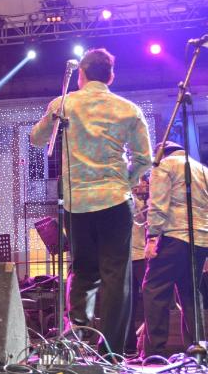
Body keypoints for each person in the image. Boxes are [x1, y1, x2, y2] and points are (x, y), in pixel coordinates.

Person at [30, 48, 152, 356]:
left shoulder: (63, 104)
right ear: (111, 76)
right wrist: (125, 181)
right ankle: (111, 351)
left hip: (77, 204)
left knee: (83, 271)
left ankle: (77, 340)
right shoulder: (129, 109)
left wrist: (53, 116)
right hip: (115, 202)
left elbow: (36, 138)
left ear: (81, 75)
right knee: (116, 276)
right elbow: (144, 159)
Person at [142, 141, 208, 359]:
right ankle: (197, 350)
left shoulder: (165, 165)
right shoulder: (202, 170)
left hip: (173, 237)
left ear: (161, 153)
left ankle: (155, 352)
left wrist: (152, 237)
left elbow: (158, 204)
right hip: (200, 239)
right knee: (191, 293)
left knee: (154, 290)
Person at [125, 175, 150, 356]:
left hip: (143, 257)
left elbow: (146, 221)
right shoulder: (127, 197)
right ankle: (129, 346)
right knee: (128, 304)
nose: (141, 185)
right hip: (127, 257)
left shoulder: (149, 200)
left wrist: (144, 200)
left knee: (151, 301)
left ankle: (147, 345)